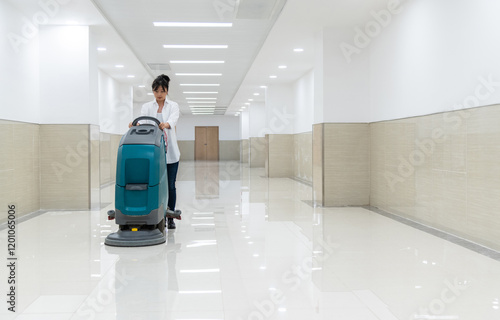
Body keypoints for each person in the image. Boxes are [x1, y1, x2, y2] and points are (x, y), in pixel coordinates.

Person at [129, 74, 181, 229]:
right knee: (154, 184)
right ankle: (155, 214)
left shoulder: (173, 106)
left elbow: (173, 119)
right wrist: (135, 123)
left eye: (162, 91)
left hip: (170, 153)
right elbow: (143, 121)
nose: (159, 94)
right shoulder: (147, 107)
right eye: (156, 91)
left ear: (167, 92)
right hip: (153, 153)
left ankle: (170, 216)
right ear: (152, 91)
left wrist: (166, 124)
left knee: (170, 185)